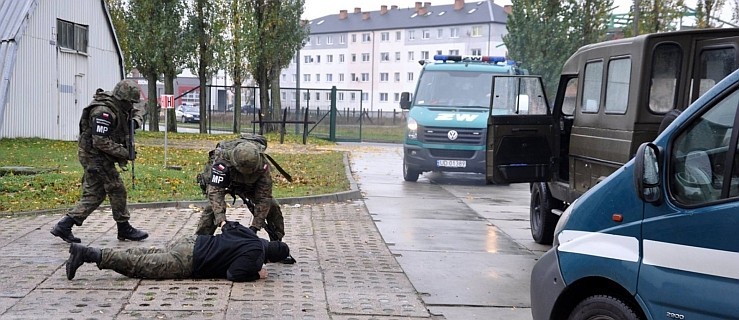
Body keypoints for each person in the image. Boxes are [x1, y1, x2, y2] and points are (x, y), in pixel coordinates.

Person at [50, 79, 148, 243]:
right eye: (129, 102)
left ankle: (64, 225)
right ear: (122, 99)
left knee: (94, 194)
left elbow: (136, 111)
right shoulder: (103, 112)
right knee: (116, 189)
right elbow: (100, 141)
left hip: (99, 156)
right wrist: (124, 153)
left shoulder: (118, 105)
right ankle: (124, 228)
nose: (131, 106)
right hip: (94, 156)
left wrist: (135, 120)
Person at [65, 220, 290, 281]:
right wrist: (255, 274)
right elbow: (234, 274)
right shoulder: (256, 258)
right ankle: (88, 254)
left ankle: (86, 252)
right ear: (271, 259)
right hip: (191, 261)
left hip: (191, 242)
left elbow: (228, 225)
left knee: (144, 255)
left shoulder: (251, 235)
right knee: (140, 266)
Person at [195, 133, 296, 264]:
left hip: (251, 186)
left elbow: (264, 198)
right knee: (211, 209)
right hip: (227, 182)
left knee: (273, 206)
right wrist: (222, 222)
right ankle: (200, 245)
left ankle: (276, 245)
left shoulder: (262, 165)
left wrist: (255, 227)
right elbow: (215, 193)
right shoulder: (222, 160)